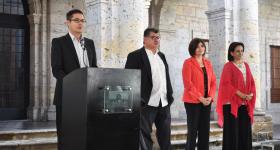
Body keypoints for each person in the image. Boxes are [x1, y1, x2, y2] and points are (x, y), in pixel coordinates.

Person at [51, 9, 97, 149]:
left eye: (82, 20)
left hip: (88, 98)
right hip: (67, 96)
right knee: (66, 136)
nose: (80, 23)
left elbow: (93, 67)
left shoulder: (89, 43)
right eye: (76, 20)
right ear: (68, 22)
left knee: (86, 135)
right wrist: (73, 86)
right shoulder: (59, 42)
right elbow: (57, 69)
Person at [125, 28, 174, 150]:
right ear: (144, 39)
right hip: (146, 103)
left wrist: (170, 95)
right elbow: (128, 79)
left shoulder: (161, 56)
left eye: (158, 37)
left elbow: (166, 78)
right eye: (153, 37)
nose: (156, 39)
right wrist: (137, 100)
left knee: (165, 135)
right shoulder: (135, 56)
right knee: (145, 135)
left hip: (164, 102)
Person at [216, 42, 256, 150]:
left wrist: (250, 95)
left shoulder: (246, 65)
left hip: (244, 105)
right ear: (232, 53)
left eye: (242, 51)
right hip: (231, 106)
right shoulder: (228, 66)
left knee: (245, 134)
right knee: (232, 135)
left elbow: (251, 82)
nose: (240, 53)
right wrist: (242, 94)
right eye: (238, 51)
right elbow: (226, 85)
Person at [182, 38, 216, 150]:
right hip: (192, 102)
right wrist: (200, 98)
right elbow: (188, 84)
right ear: (192, 48)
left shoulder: (208, 62)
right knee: (193, 131)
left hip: (207, 101)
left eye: (202, 46)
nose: (200, 48)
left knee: (204, 131)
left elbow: (213, 81)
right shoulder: (188, 63)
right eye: (197, 46)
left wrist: (210, 97)